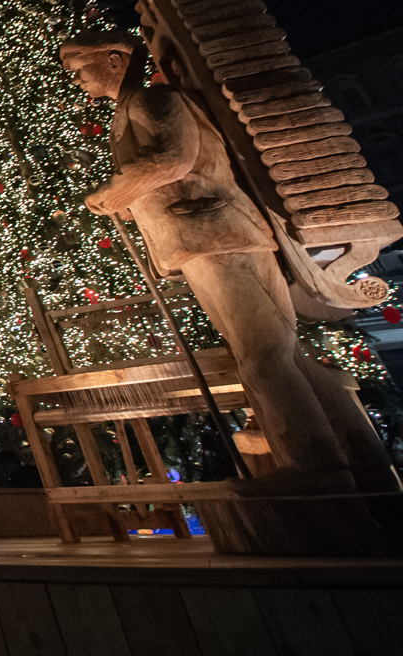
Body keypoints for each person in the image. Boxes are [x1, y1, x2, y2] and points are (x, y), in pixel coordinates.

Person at [61, 30, 395, 494]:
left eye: (80, 70)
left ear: (115, 60)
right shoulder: (136, 104)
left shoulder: (150, 99)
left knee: (262, 358)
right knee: (287, 356)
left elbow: (172, 159)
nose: (77, 81)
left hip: (213, 235)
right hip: (207, 237)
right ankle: (365, 465)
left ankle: (317, 470)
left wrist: (112, 192)